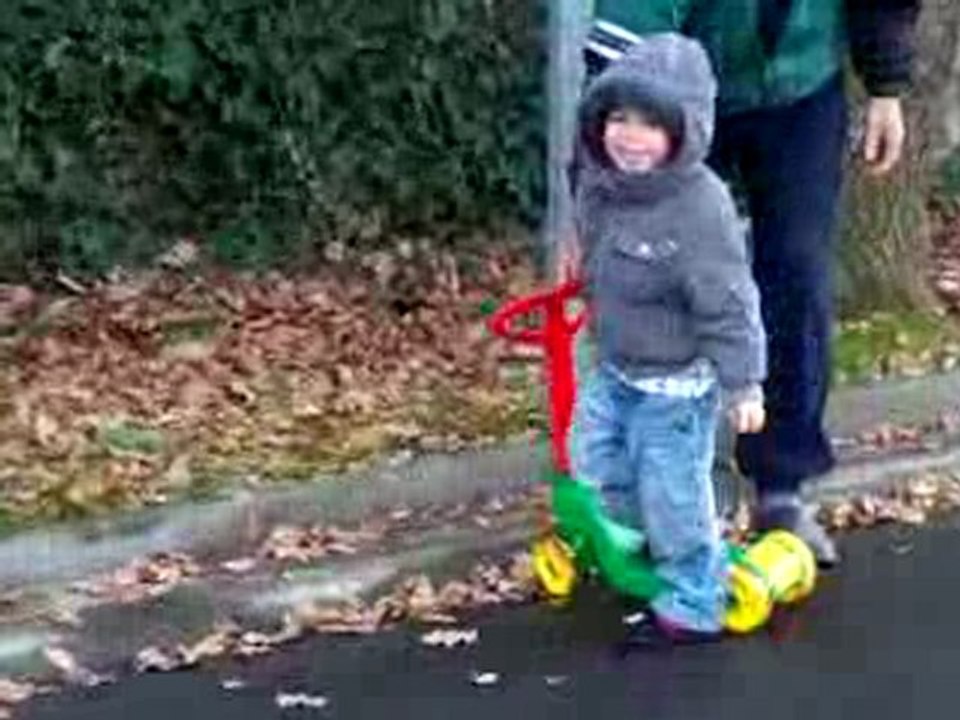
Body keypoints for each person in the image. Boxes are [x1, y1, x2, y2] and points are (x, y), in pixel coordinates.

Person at [570, 0, 922, 567]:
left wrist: (886, 87)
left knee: (797, 275)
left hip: (802, 89)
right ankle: (659, 484)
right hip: (676, 96)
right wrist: (595, 201)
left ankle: (781, 487)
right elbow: (624, 43)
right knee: (658, 274)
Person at [569, 33, 766, 645]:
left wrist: (744, 384)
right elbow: (593, 239)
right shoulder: (601, 181)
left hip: (677, 386)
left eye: (651, 125)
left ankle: (695, 599)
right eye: (619, 119)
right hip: (616, 367)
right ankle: (642, 547)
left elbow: (728, 302)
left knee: (673, 493)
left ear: (685, 131)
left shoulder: (700, 207)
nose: (630, 137)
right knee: (594, 460)